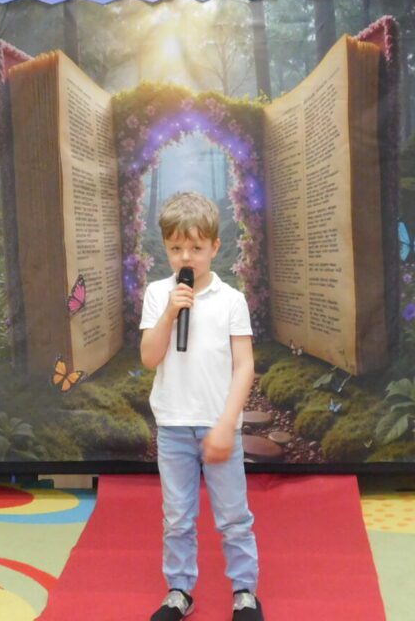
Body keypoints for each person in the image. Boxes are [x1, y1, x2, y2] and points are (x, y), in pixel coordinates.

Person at [139, 191, 261, 621]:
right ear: (165, 248)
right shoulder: (159, 294)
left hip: (218, 423)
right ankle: (179, 590)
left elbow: (244, 366)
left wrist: (227, 423)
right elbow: (149, 357)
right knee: (177, 517)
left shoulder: (231, 300)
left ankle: (244, 592)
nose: (186, 257)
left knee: (233, 516)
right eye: (176, 248)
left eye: (195, 247)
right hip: (173, 424)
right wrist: (170, 314)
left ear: (214, 246)